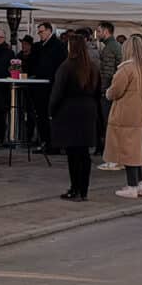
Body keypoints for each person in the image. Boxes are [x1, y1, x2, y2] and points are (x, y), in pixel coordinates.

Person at [49, 31, 102, 201]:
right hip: (88, 111)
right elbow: (98, 92)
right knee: (84, 153)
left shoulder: (66, 67)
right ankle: (83, 190)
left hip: (70, 111)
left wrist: (51, 111)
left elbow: (57, 92)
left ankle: (75, 189)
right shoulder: (93, 67)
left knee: (73, 153)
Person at [106, 34, 142, 198]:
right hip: (139, 114)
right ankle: (141, 184)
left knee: (128, 153)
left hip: (124, 115)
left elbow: (115, 91)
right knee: (135, 151)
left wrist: (108, 93)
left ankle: (132, 186)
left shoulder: (126, 69)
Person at [94, 22, 124, 169]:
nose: (97, 34)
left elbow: (108, 73)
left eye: (99, 31)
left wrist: (104, 91)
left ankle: (113, 158)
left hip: (109, 92)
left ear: (106, 32)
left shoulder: (110, 48)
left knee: (110, 125)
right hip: (112, 91)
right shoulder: (113, 46)